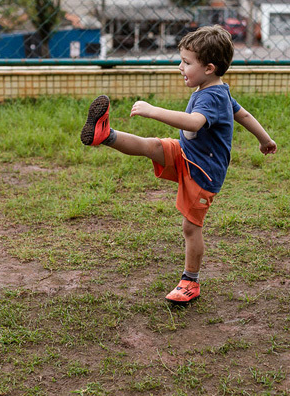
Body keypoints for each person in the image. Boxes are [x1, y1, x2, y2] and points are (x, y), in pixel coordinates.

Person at [79, 25, 276, 305]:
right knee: (152, 146)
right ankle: (104, 135)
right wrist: (265, 139)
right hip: (187, 153)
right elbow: (243, 115)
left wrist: (154, 111)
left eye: (186, 62)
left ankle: (190, 282)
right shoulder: (216, 89)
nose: (180, 67)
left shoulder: (211, 96)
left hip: (202, 173)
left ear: (209, 67)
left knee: (190, 227)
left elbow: (195, 122)